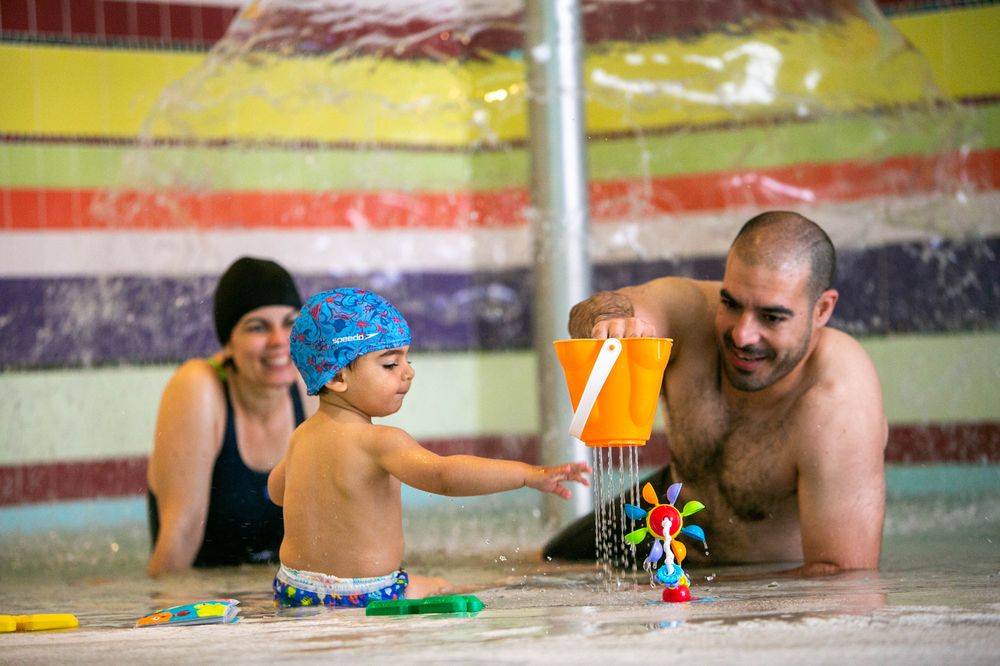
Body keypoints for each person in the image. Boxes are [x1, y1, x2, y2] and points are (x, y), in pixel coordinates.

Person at [543, 211, 888, 576]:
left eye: (771, 317)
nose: (742, 335)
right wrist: (608, 324)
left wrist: (704, 599)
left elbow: (842, 578)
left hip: (757, 575)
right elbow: (602, 309)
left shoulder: (839, 398)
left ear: (822, 310)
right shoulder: (692, 316)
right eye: (731, 304)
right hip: (667, 523)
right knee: (544, 568)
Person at [268, 287, 591, 607]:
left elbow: (277, 492)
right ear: (337, 377)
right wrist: (526, 474)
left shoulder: (302, 436)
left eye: (407, 359)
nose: (408, 372)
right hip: (368, 593)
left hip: (295, 588)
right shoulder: (380, 440)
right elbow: (443, 476)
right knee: (441, 586)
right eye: (390, 365)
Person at [147, 257, 312, 576]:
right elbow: (176, 545)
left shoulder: (308, 388)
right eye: (257, 327)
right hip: (204, 608)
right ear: (228, 343)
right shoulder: (198, 386)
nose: (279, 341)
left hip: (277, 599)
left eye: (290, 323)